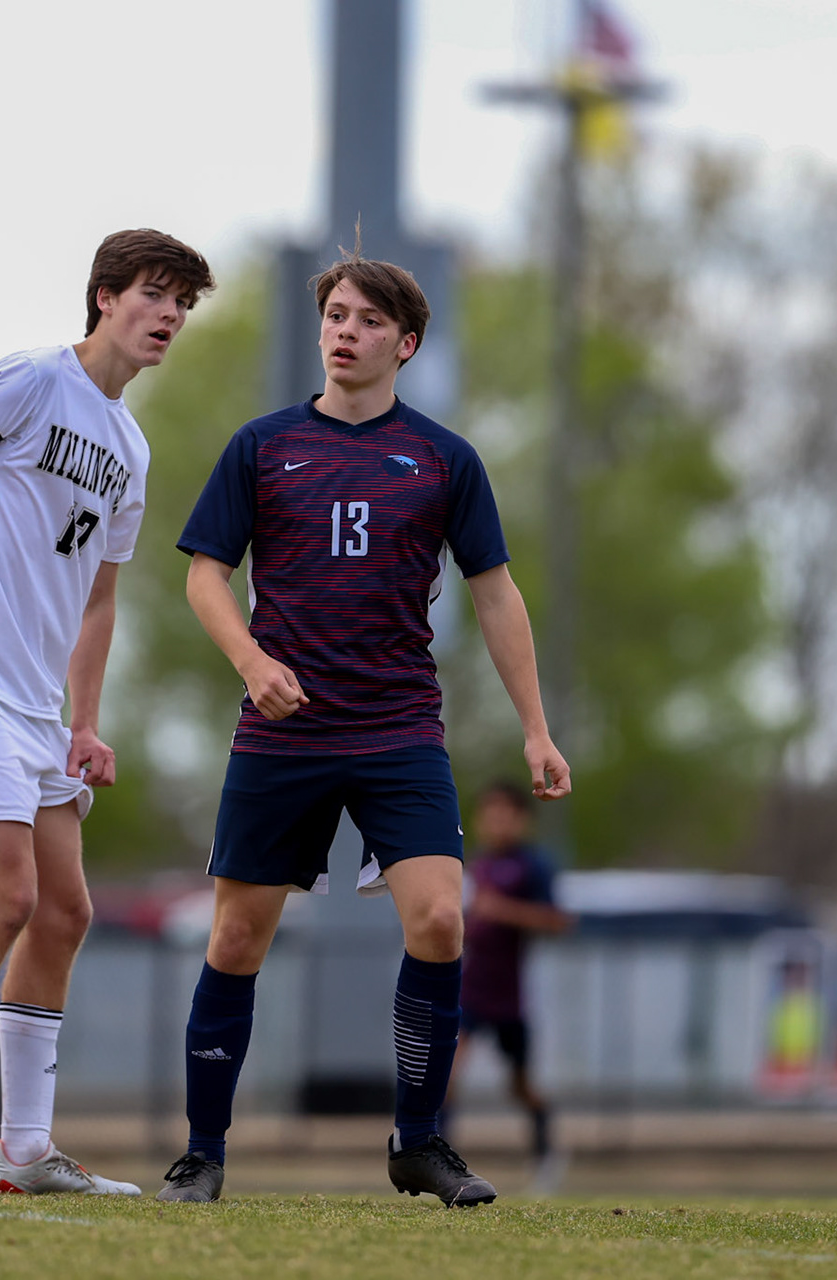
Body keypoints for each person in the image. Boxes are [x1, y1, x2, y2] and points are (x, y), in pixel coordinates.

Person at [157, 249, 570, 1207]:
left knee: (438, 918)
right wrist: (255, 665)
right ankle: (203, 1155)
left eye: (368, 320)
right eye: (336, 315)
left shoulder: (443, 459)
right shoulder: (261, 446)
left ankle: (418, 1141)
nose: (346, 330)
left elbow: (498, 596)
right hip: (282, 735)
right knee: (235, 940)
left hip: (397, 727)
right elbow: (202, 576)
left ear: (407, 342)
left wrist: (536, 730)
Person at [0, 229, 214, 1196]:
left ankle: (26, 1147)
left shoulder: (131, 447)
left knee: (65, 910)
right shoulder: (29, 378)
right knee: (8, 898)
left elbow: (99, 600)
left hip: (35, 710)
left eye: (184, 303)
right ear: (105, 297)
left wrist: (86, 719)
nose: (171, 316)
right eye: (155, 293)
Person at [447, 781, 572, 1164]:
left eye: (505, 815)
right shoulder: (474, 864)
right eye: (490, 815)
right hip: (470, 991)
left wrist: (503, 910)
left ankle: (546, 1150)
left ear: (522, 821)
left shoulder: (533, 866)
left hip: (509, 997)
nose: (496, 823)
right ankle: (440, 1156)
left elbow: (557, 922)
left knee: (520, 1087)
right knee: (447, 1075)